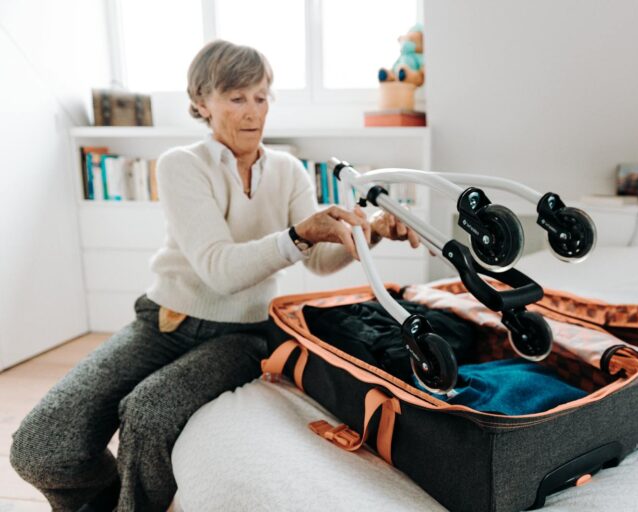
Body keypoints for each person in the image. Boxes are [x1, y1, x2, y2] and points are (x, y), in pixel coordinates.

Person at [10, 40, 420, 512]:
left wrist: (370, 235)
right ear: (202, 102)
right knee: (39, 447)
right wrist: (300, 232)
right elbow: (220, 269)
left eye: (261, 97)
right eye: (237, 97)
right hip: (161, 322)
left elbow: (318, 260)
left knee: (148, 412)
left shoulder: (287, 171)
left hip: (242, 336)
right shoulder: (181, 165)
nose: (253, 112)